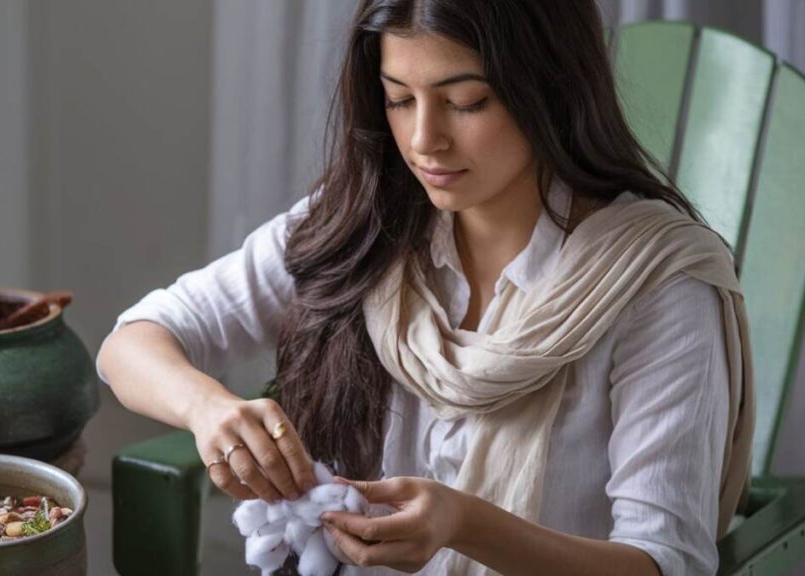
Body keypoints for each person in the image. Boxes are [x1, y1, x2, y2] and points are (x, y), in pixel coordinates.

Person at [96, 1, 754, 574]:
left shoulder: (655, 283)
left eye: (466, 101)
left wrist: (466, 525)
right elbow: (133, 341)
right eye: (399, 99)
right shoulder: (364, 224)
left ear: (549, 88)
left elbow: (663, 562)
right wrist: (209, 409)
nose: (423, 140)